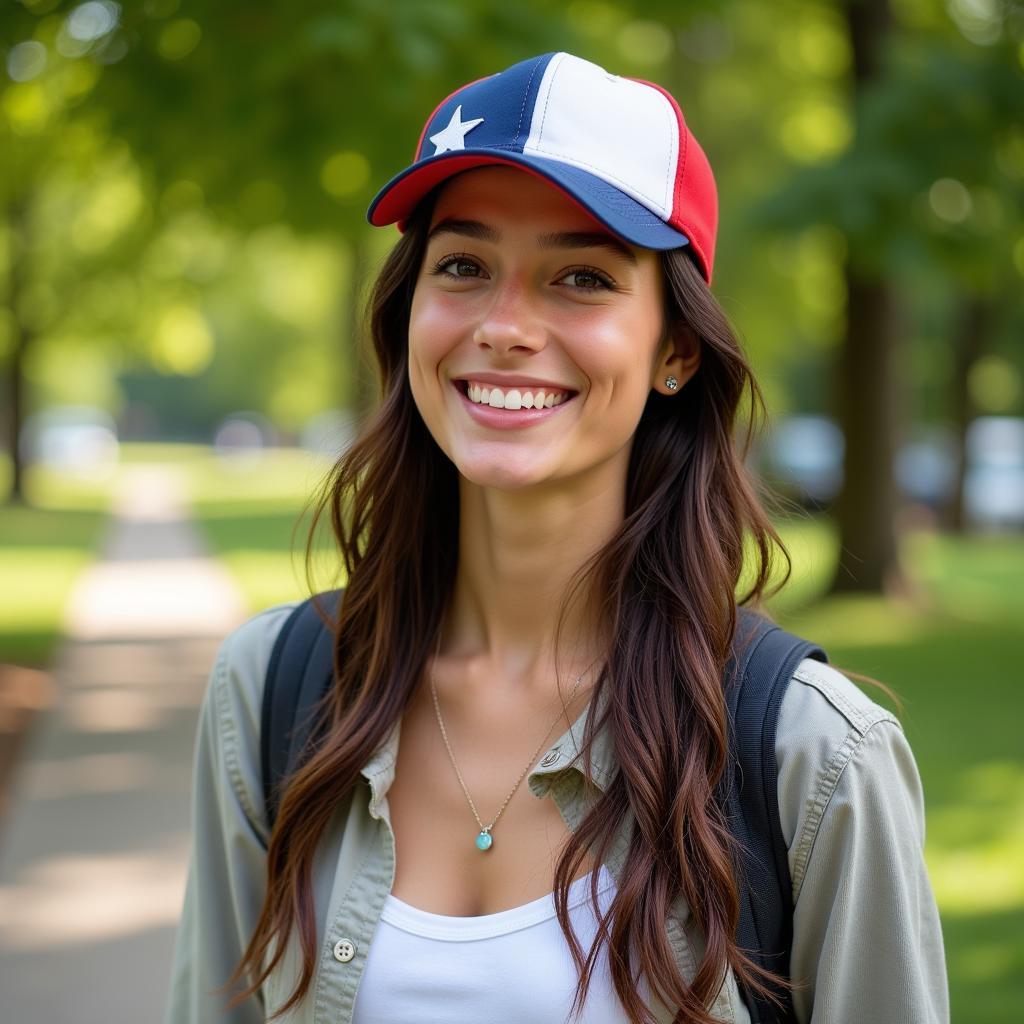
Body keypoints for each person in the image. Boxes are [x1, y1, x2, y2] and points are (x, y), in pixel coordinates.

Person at [166, 52, 948, 1024]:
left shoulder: (810, 756)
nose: (504, 325)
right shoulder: (275, 688)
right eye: (463, 265)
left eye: (581, 277)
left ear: (674, 350)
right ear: (408, 310)